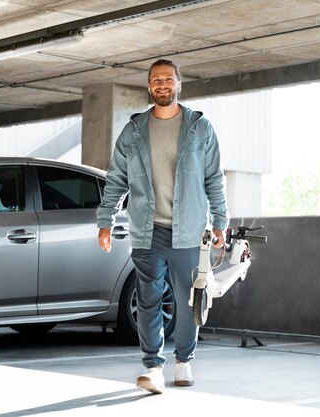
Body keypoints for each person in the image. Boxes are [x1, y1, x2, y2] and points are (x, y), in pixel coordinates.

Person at [96, 58, 228, 394]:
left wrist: (220, 222)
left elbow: (214, 178)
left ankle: (183, 360)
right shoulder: (134, 130)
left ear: (179, 84)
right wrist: (105, 220)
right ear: (149, 85)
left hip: (190, 230)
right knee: (149, 299)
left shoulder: (200, 128)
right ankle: (153, 366)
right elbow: (115, 180)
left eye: (169, 79)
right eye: (156, 79)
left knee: (188, 301)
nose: (162, 84)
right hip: (147, 229)